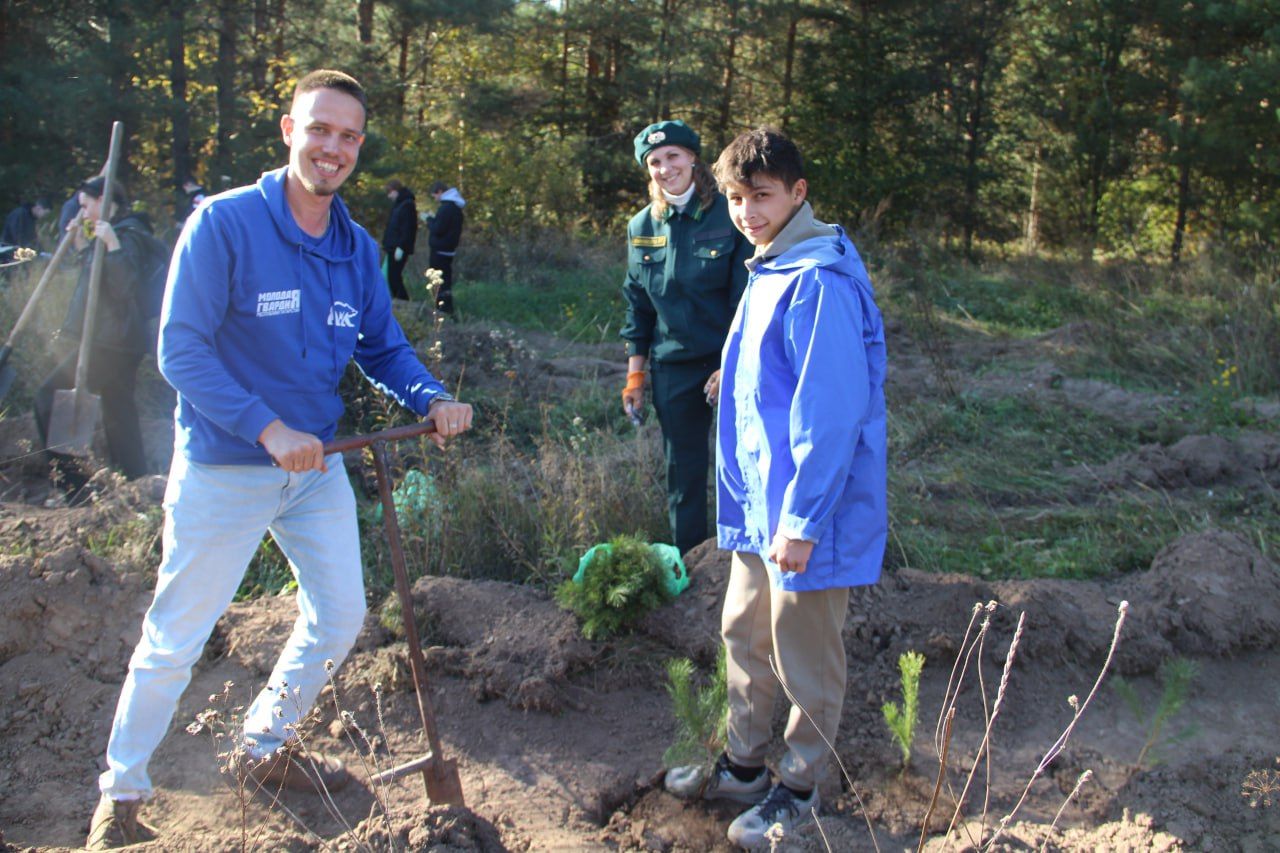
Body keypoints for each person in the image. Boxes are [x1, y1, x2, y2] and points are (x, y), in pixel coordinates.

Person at [84, 69, 475, 849]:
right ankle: (119, 798)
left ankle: (262, 747)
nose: (333, 148)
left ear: (360, 147)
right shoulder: (225, 225)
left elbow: (380, 345)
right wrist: (265, 429)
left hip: (317, 464)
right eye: (320, 129)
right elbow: (180, 350)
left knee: (341, 614)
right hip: (228, 466)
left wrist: (430, 398)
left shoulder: (357, 247)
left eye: (349, 136)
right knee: (176, 636)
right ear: (289, 130)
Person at [663, 128, 887, 848]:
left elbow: (830, 414)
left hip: (802, 516)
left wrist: (803, 520)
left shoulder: (818, 277)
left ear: (798, 192)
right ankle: (744, 764)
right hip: (762, 507)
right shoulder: (775, 265)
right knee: (744, 632)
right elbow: (786, 371)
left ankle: (801, 785)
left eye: (761, 196)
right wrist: (739, 377)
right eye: (734, 198)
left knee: (805, 651)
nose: (747, 211)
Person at [619, 120, 750, 555]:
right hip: (674, 365)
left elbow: (746, 301)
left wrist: (729, 364)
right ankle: (692, 565)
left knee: (744, 465)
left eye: (673, 156)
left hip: (732, 359)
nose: (664, 168)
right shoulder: (642, 225)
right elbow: (637, 306)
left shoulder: (729, 213)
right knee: (684, 473)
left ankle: (748, 560)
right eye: (654, 162)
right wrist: (635, 377)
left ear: (694, 158)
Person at [33, 177, 153, 486]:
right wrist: (82, 244)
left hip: (110, 343)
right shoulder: (113, 231)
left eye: (86, 205)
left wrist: (112, 245)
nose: (83, 213)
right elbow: (96, 277)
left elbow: (125, 287)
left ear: (103, 200)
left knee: (48, 396)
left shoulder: (129, 235)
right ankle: (136, 481)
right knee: (119, 414)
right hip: (114, 342)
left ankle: (72, 484)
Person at [426, 179, 464, 313]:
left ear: (440, 192)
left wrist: (429, 220)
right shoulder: (456, 208)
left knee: (438, 281)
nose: (435, 198)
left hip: (439, 250)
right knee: (446, 280)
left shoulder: (446, 208)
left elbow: (438, 229)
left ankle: (441, 308)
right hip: (449, 250)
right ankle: (447, 308)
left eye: (435, 195)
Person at [381, 178, 417, 300]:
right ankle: (399, 300)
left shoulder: (407, 205)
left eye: (389, 192)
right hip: (392, 247)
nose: (389, 196)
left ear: (395, 191)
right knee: (391, 276)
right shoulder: (399, 205)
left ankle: (403, 301)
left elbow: (407, 228)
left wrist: (401, 247)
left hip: (399, 247)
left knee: (394, 276)